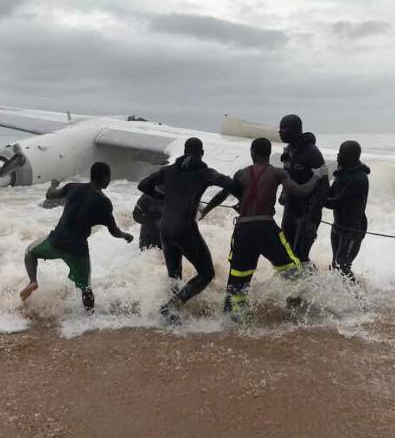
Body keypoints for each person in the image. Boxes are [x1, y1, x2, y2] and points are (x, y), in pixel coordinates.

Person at [200, 138, 329, 322]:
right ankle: (300, 312)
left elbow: (224, 193)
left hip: (243, 228)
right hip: (266, 228)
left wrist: (204, 211)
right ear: (269, 154)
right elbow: (301, 191)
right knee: (292, 270)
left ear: (252, 152)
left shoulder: (241, 174)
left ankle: (230, 321)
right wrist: (317, 176)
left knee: (238, 277)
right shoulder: (278, 173)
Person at [137, 137, 237, 324]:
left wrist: (164, 196)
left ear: (184, 151)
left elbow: (142, 185)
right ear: (202, 153)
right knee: (207, 274)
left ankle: (171, 317)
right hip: (185, 228)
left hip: (165, 229)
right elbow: (231, 185)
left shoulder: (167, 171)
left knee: (174, 275)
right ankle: (171, 306)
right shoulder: (205, 173)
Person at [20, 162, 134, 312]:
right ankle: (89, 317)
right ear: (105, 177)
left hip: (56, 241)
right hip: (77, 250)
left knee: (30, 252)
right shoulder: (104, 202)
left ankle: (33, 281)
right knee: (86, 288)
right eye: (109, 177)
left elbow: (50, 194)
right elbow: (114, 231)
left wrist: (53, 184)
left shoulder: (73, 187)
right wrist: (125, 235)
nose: (109, 180)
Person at [278, 114, 329, 271]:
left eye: (284, 128)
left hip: (307, 212)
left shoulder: (311, 152)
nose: (280, 131)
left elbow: (324, 185)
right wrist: (283, 193)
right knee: (285, 251)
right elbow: (287, 177)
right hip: (290, 209)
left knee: (300, 255)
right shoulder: (288, 151)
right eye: (280, 128)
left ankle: (311, 287)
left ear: (296, 129)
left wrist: (312, 216)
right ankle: (291, 285)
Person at [325, 141, 370, 282]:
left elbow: (338, 202)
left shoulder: (359, 178)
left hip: (353, 230)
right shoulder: (340, 174)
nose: (338, 155)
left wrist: (317, 200)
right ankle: (339, 296)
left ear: (349, 156)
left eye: (341, 153)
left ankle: (357, 298)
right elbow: (330, 194)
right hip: (337, 226)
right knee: (335, 265)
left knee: (343, 265)